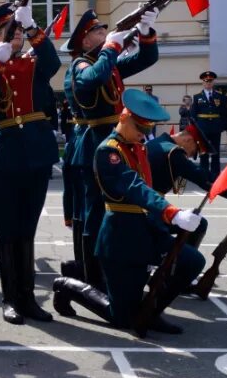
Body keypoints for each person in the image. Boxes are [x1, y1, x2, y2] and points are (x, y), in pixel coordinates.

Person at [51, 89, 207, 334]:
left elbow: (148, 186)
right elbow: (134, 187)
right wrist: (171, 212)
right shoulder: (108, 151)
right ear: (123, 119)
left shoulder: (138, 147)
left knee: (192, 261)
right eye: (139, 129)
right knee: (121, 317)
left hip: (148, 230)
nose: (142, 136)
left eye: (146, 131)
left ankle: (152, 310)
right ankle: (66, 286)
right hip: (120, 238)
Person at [0, 2, 63, 325]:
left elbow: (53, 62)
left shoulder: (35, 62)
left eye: (17, 32)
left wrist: (35, 29)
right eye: (7, 32)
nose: (14, 38)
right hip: (8, 152)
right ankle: (9, 298)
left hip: (37, 151)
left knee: (28, 228)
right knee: (8, 229)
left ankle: (28, 298)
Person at [62, 8, 159, 290]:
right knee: (94, 210)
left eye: (105, 30)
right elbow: (92, 78)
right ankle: (93, 274)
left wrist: (145, 32)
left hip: (116, 140)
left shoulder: (107, 61)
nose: (104, 34)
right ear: (85, 41)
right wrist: (114, 46)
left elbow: (146, 58)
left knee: (116, 205)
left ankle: (114, 266)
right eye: (97, 32)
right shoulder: (79, 66)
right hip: (92, 143)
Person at [146, 119, 227, 251]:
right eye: (194, 151)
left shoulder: (157, 142)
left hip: (147, 205)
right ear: (188, 140)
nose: (191, 155)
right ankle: (178, 265)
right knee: (198, 229)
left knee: (197, 223)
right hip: (148, 213)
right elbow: (203, 178)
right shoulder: (173, 152)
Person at [190, 71, 227, 175]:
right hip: (203, 128)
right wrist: (195, 129)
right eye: (206, 81)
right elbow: (193, 114)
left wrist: (222, 126)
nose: (208, 83)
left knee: (215, 152)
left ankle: (215, 174)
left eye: (210, 81)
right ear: (203, 82)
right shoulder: (197, 97)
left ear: (213, 82)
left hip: (215, 128)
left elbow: (224, 113)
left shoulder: (219, 96)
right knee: (204, 152)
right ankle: (204, 173)